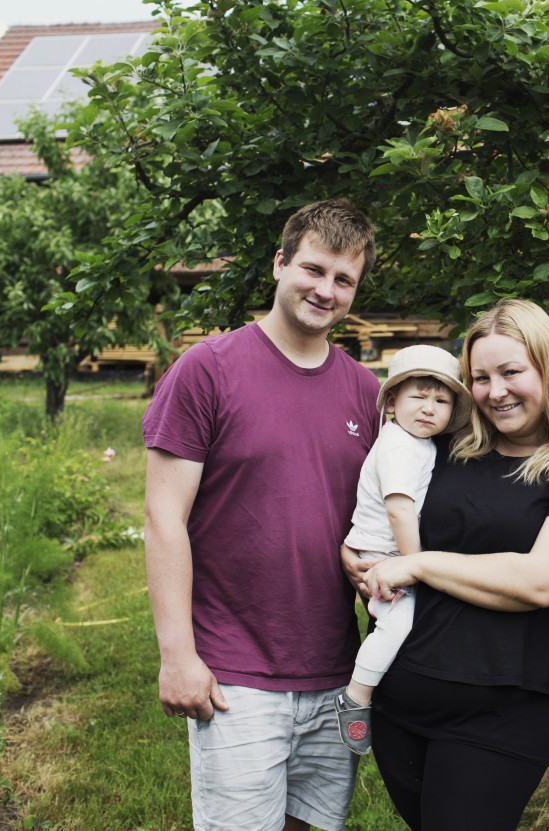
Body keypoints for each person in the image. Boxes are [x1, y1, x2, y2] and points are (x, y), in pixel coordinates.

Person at [341, 298, 549, 831]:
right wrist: (357, 552)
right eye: (479, 377)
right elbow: (386, 503)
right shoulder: (450, 448)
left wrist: (421, 566)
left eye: (511, 372)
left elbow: (540, 582)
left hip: (498, 714)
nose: (495, 391)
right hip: (399, 701)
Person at [142, 199, 381, 831]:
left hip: (337, 670)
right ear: (279, 264)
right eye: (313, 269)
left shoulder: (367, 391)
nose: (325, 290)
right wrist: (177, 656)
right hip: (234, 671)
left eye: (343, 279)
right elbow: (163, 517)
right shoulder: (208, 370)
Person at [334, 343, 470, 756]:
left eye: (441, 400)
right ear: (392, 400)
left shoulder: (418, 442)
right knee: (400, 621)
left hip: (394, 551)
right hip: (385, 552)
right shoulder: (398, 446)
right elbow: (398, 510)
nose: (429, 408)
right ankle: (356, 696)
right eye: (418, 396)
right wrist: (414, 566)